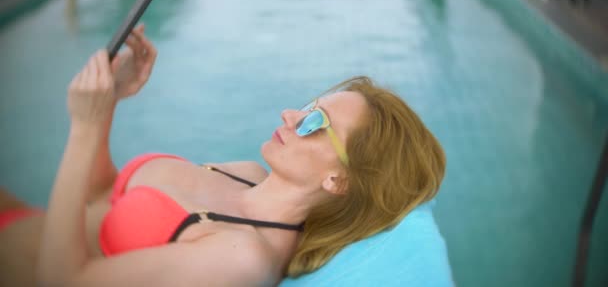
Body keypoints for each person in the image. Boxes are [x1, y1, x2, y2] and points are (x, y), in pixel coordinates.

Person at [0, 24, 446, 286]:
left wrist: (85, 126)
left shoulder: (242, 257)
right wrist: (111, 102)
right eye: (309, 106)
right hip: (21, 222)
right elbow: (100, 196)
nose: (291, 114)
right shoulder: (247, 175)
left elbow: (62, 280)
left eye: (315, 123)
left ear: (339, 180)